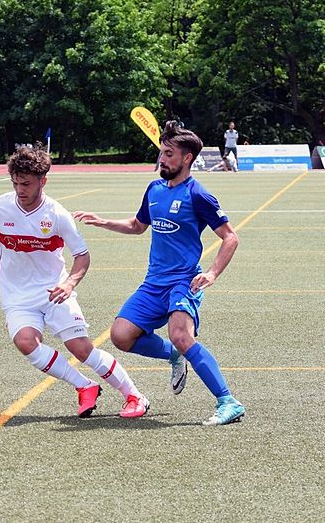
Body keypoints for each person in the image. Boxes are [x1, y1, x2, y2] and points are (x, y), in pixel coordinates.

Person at [0, 146, 149, 418]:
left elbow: (82, 256)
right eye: (15, 183)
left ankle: (135, 396)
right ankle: (84, 386)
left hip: (55, 291)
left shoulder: (57, 215)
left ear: (43, 181)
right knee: (25, 342)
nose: (20, 190)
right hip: (17, 296)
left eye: (26, 184)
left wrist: (69, 284)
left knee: (81, 349)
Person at [74, 121, 245, 426]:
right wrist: (103, 221)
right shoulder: (154, 189)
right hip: (154, 282)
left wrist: (212, 273)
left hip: (184, 281)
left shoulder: (198, 195)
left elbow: (230, 237)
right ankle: (173, 355)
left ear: (187, 158)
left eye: (169, 154)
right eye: (162, 153)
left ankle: (228, 401)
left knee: (181, 335)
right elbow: (137, 226)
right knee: (120, 336)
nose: (162, 160)